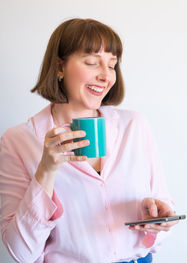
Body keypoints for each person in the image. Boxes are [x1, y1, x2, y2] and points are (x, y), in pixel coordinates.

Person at [0, 18, 177, 263]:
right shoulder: (18, 141)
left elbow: (163, 205)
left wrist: (156, 215)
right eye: (93, 63)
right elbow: (20, 252)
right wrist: (46, 171)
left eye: (112, 64)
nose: (106, 76)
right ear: (60, 67)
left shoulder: (135, 126)